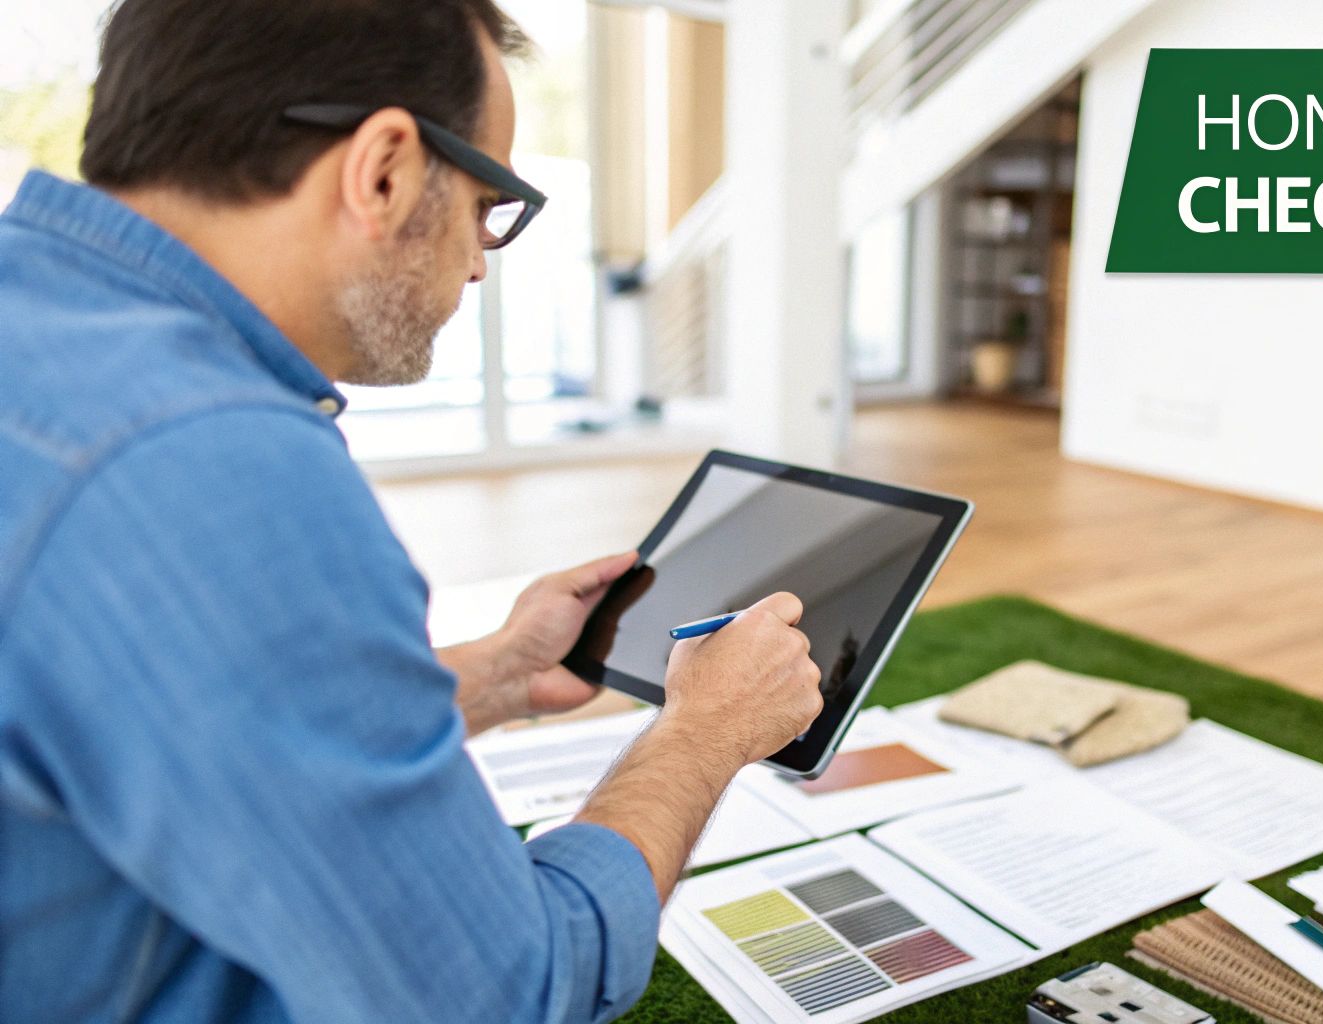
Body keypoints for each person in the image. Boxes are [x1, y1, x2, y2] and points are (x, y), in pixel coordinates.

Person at [0, 0, 824, 1020]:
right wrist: (705, 731)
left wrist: (496, 674)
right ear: (384, 168)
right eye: (491, 203)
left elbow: (184, 724)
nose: (482, 258)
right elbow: (505, 990)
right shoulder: (214, 465)